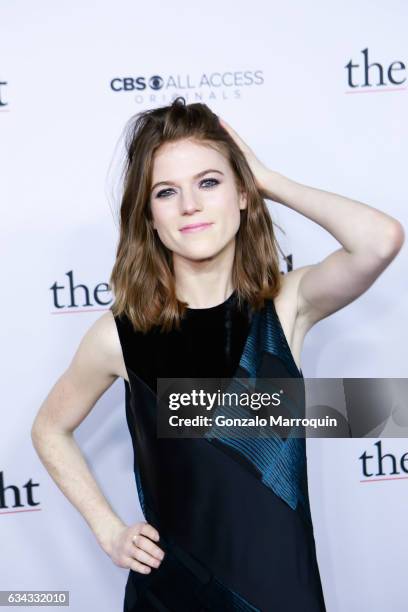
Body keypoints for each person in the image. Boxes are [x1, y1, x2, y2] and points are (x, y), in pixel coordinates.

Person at [31, 97, 405, 611]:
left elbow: (380, 240)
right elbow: (49, 428)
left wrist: (270, 179)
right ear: (149, 217)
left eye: (209, 182)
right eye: (167, 191)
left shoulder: (287, 305)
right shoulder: (118, 336)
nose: (190, 205)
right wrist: (108, 529)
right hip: (173, 595)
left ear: (242, 194)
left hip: (281, 594)